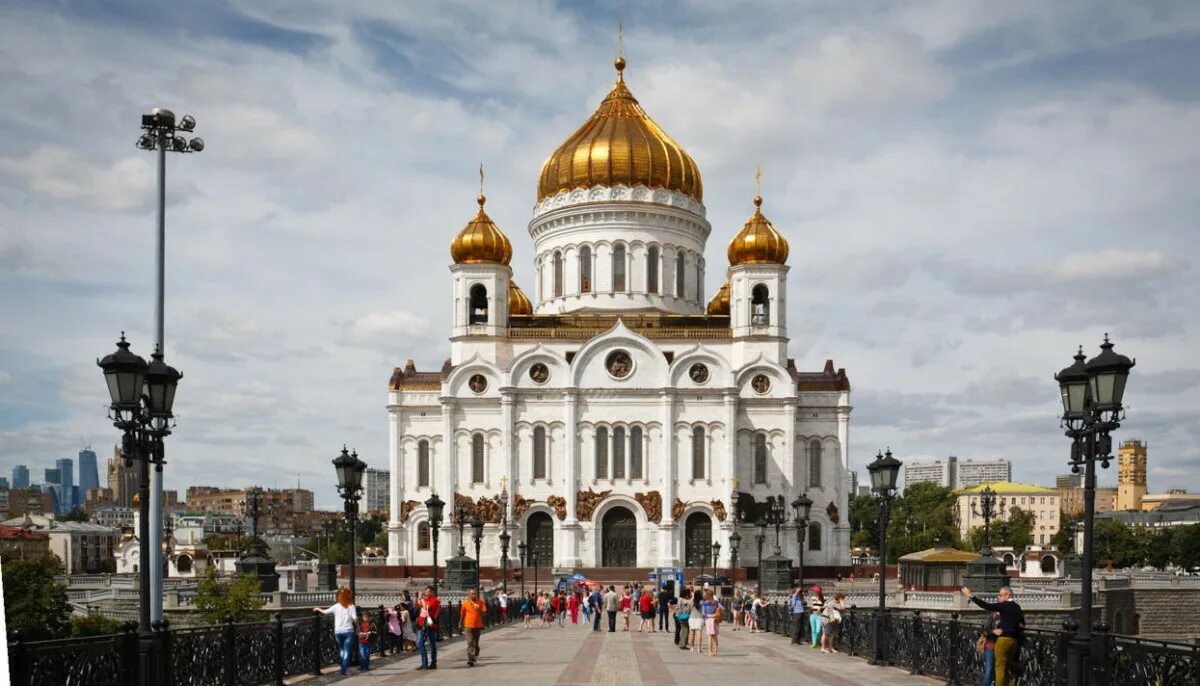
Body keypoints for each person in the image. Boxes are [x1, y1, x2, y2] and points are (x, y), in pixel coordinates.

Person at [962, 586, 1024, 686]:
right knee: (1006, 668)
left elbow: (987, 606)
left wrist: (971, 596)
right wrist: (1013, 629)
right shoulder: (1017, 607)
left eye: (1000, 594)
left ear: (1007, 595)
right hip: (1013, 641)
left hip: (1003, 640)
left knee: (999, 668)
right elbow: (1022, 624)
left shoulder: (1004, 605)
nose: (998, 596)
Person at [313, 586, 358, 676]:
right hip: (349, 631)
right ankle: (344, 671)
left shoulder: (336, 606)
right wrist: (358, 628)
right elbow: (355, 619)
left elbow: (325, 612)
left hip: (338, 632)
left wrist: (317, 608)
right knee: (347, 651)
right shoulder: (351, 606)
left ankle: (343, 668)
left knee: (342, 650)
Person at [415, 586, 440, 671]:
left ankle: (433, 662)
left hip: (429, 625)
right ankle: (424, 663)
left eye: (428, 592)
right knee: (420, 643)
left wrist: (421, 599)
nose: (426, 593)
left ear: (432, 592)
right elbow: (416, 606)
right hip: (421, 625)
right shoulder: (424, 599)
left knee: (432, 644)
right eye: (425, 592)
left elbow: (426, 607)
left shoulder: (435, 601)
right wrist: (417, 597)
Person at [460, 588, 486, 668]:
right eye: (472, 594)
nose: (474, 595)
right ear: (469, 595)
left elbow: (484, 613)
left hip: (477, 626)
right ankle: (470, 659)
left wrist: (479, 609)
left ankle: (475, 657)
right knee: (470, 642)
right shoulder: (465, 603)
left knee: (476, 644)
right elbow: (462, 614)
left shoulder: (480, 602)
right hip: (468, 625)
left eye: (475, 593)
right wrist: (460, 623)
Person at [980, 611, 999, 686]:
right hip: (991, 645)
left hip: (1002, 647)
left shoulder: (1007, 617)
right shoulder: (993, 616)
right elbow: (985, 631)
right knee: (989, 669)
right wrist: (993, 631)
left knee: (998, 670)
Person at [701, 588, 721, 657]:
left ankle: (709, 652)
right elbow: (722, 608)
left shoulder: (704, 603)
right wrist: (715, 614)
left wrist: (709, 615)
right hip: (715, 620)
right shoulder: (716, 602)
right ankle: (716, 651)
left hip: (709, 620)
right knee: (715, 635)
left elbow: (703, 614)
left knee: (710, 636)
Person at [687, 589, 705, 653]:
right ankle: (699, 649)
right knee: (699, 633)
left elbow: (688, 610)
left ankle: (691, 648)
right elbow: (704, 611)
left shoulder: (691, 601)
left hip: (692, 618)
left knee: (692, 633)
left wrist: (692, 598)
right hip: (700, 618)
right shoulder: (702, 602)